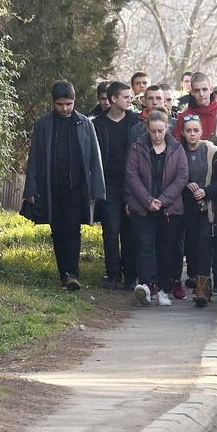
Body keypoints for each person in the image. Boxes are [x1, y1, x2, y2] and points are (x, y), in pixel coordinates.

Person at [24, 81, 107, 290]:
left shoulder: (85, 123)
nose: (65, 108)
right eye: (60, 104)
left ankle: (72, 274)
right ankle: (64, 273)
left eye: (69, 103)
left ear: (74, 101)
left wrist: (96, 189)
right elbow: (34, 157)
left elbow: (94, 158)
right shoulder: (43, 124)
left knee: (72, 229)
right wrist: (31, 188)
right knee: (57, 230)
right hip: (51, 187)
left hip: (76, 188)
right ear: (54, 103)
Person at [126, 110, 188, 307]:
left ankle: (162, 288)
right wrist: (147, 200)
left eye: (160, 131)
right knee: (145, 247)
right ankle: (145, 286)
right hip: (143, 207)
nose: (157, 135)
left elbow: (181, 177)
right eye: (153, 131)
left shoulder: (177, 148)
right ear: (147, 129)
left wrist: (162, 200)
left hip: (168, 208)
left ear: (167, 129)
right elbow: (132, 176)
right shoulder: (137, 148)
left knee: (165, 249)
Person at [92, 81, 142, 289]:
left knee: (130, 230)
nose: (129, 100)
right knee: (110, 230)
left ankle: (131, 274)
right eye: (125, 97)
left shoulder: (135, 121)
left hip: (132, 184)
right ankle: (112, 273)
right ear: (113, 99)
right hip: (108, 185)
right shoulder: (98, 124)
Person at [180, 115, 217, 307]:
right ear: (183, 133)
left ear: (201, 131)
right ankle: (194, 279)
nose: (192, 134)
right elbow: (173, 176)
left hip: (209, 206)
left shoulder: (212, 152)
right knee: (191, 245)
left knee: (205, 244)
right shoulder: (178, 152)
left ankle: (203, 287)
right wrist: (186, 184)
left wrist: (205, 191)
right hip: (186, 205)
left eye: (195, 130)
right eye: (188, 131)